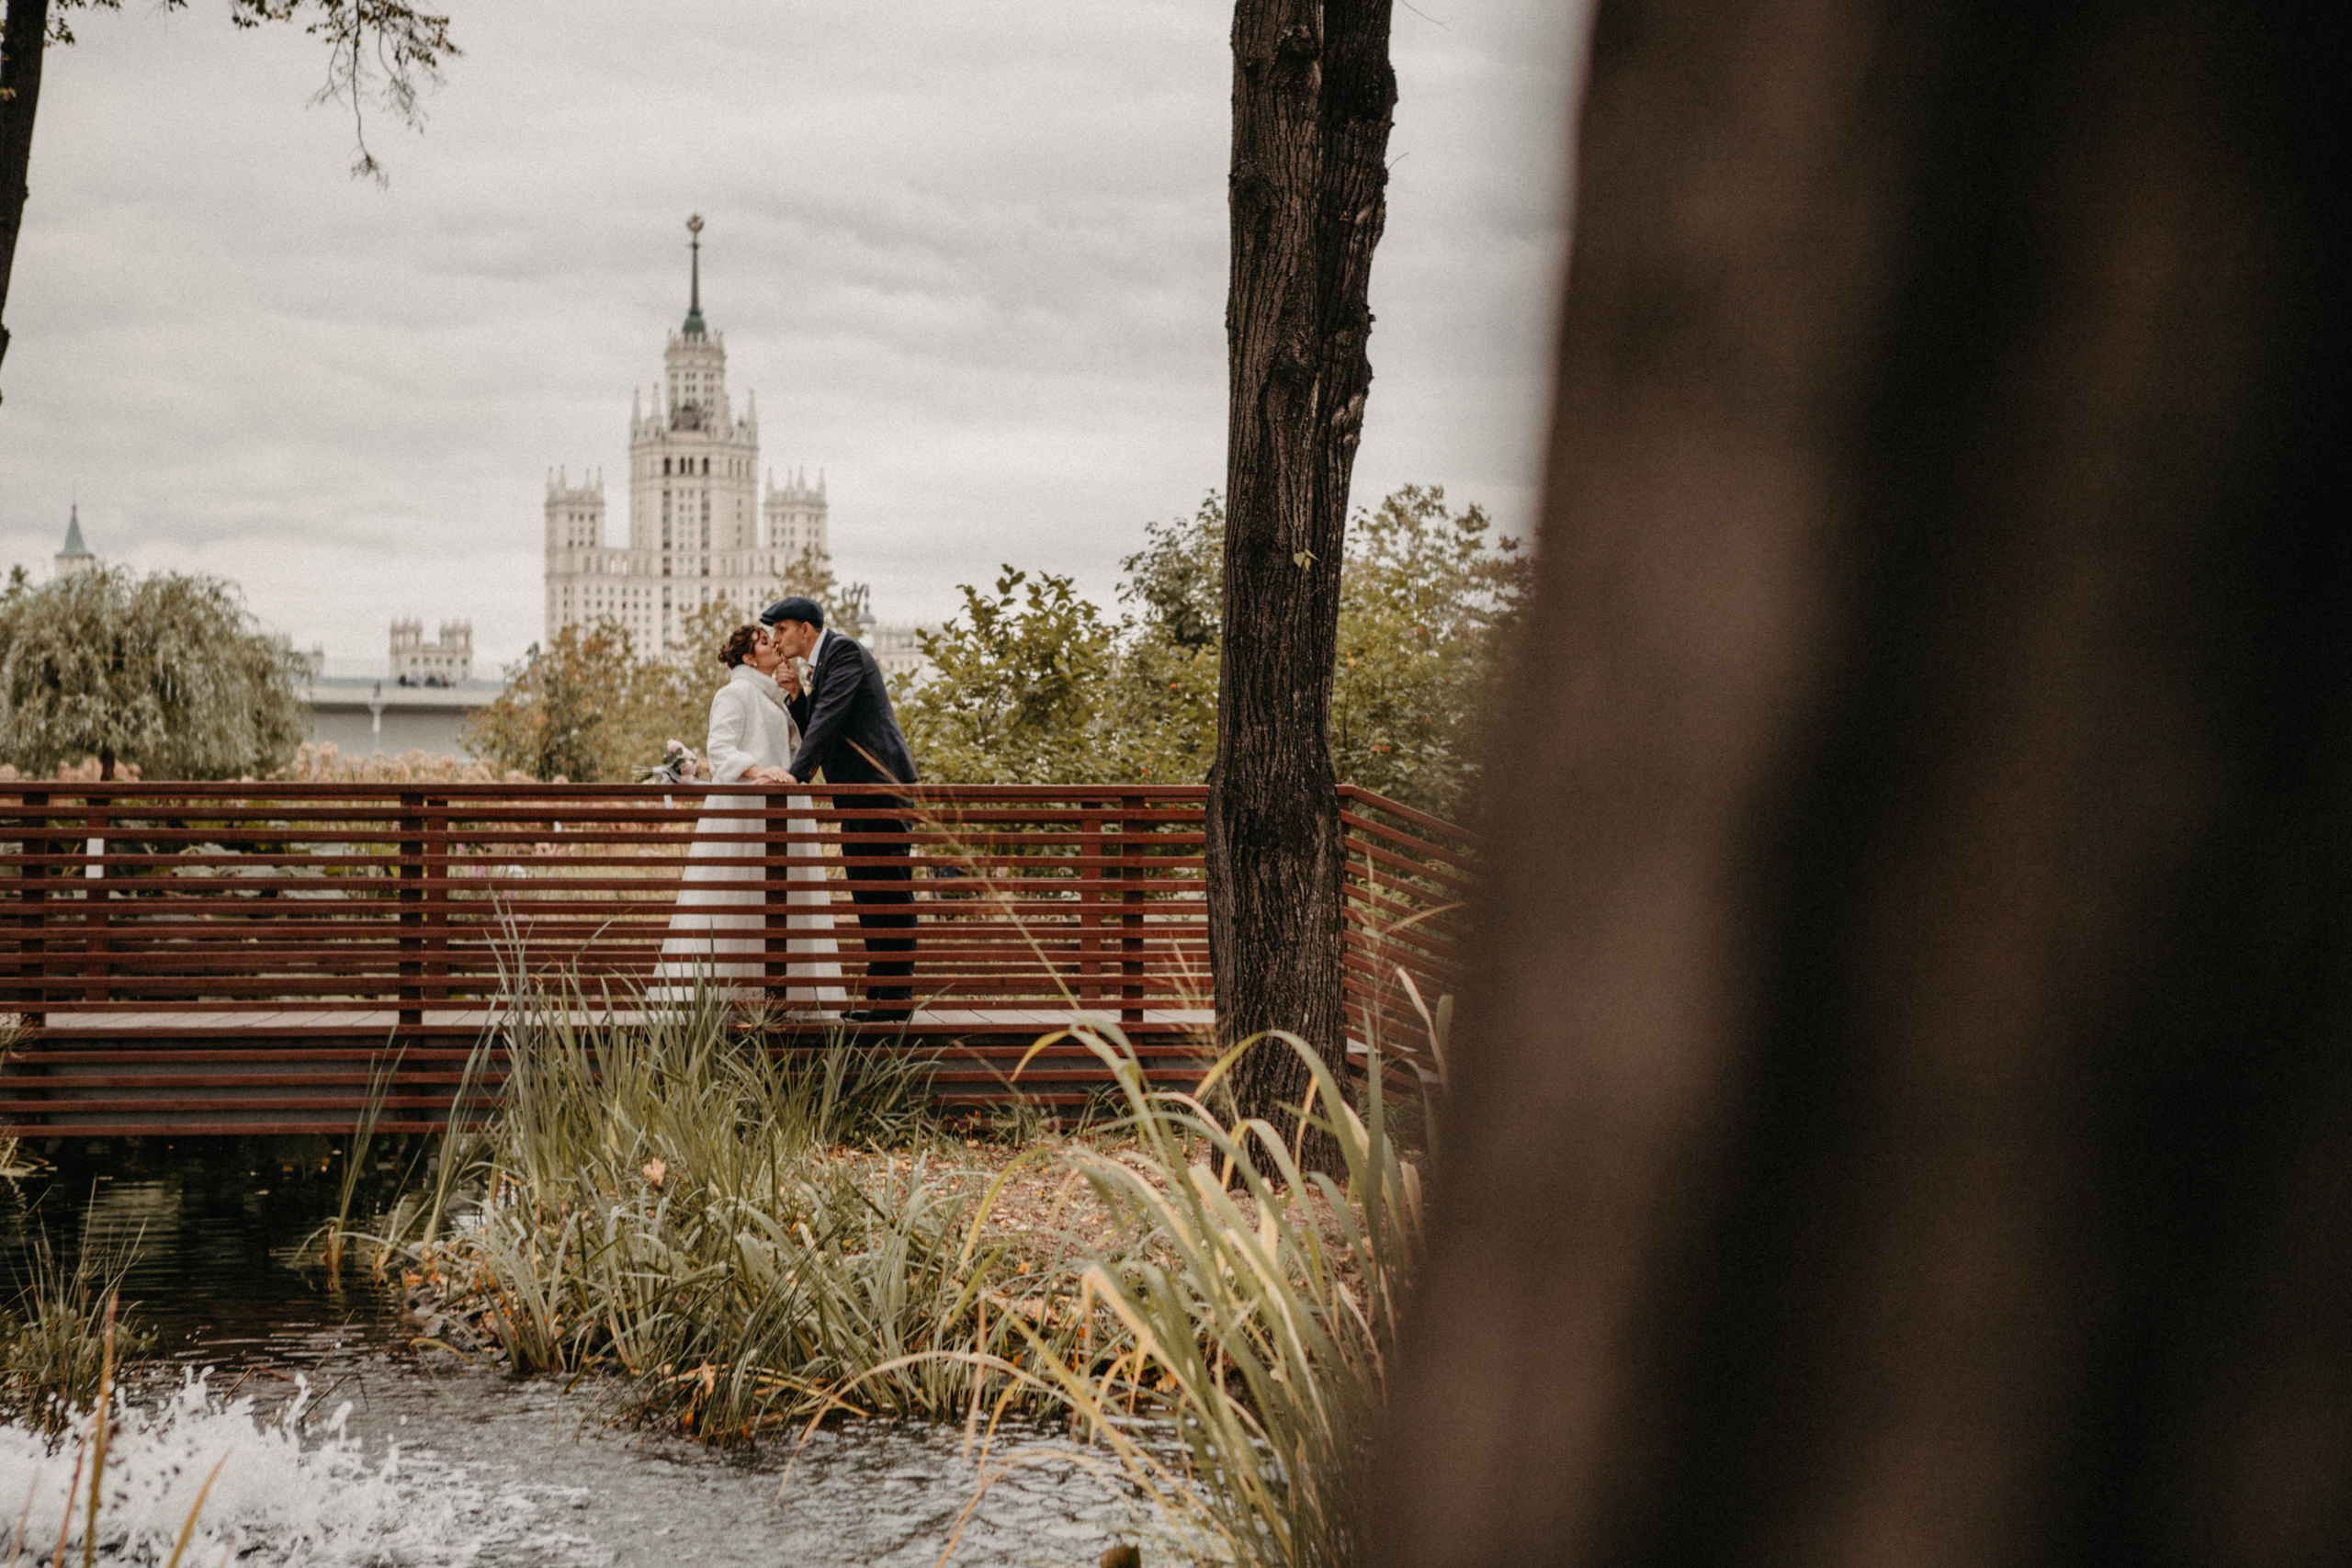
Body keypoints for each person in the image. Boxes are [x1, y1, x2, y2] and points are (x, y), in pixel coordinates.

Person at [651, 622, 844, 1013]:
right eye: (763, 641)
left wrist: (793, 695)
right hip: (746, 818)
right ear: (747, 657)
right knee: (738, 907)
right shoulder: (734, 693)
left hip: (779, 815)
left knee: (777, 907)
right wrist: (762, 772)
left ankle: (781, 1004)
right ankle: (728, 1007)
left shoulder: (772, 698)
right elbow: (720, 750)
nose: (774, 643)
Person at [761, 595, 919, 1022]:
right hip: (857, 794)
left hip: (881, 791)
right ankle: (882, 1001)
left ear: (806, 630)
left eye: (781, 629)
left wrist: (797, 775)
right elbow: (822, 719)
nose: (776, 639)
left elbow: (830, 719)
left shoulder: (844, 652)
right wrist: (796, 694)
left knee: (887, 891)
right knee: (867, 892)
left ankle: (894, 1001)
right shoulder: (824, 664)